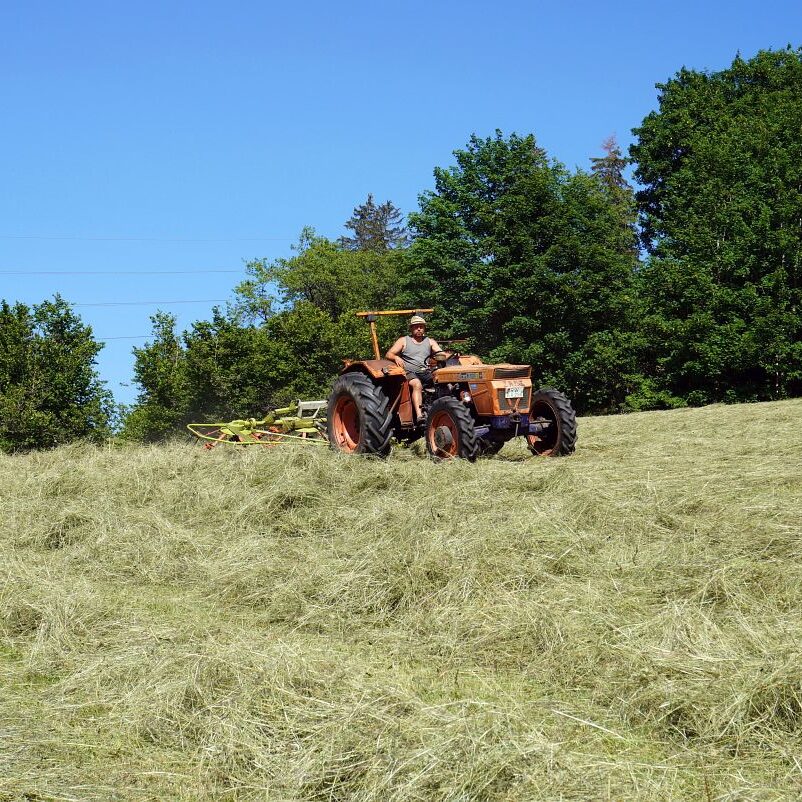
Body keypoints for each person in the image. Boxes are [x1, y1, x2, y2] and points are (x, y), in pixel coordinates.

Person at [385, 315, 444, 422]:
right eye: (416, 326)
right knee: (417, 384)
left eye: (421, 326)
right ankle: (419, 415)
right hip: (409, 371)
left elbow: (441, 353)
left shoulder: (430, 341)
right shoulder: (404, 340)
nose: (419, 329)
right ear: (411, 328)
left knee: (442, 381)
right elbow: (389, 354)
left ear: (424, 328)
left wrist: (444, 356)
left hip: (426, 371)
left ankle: (441, 409)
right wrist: (396, 357)